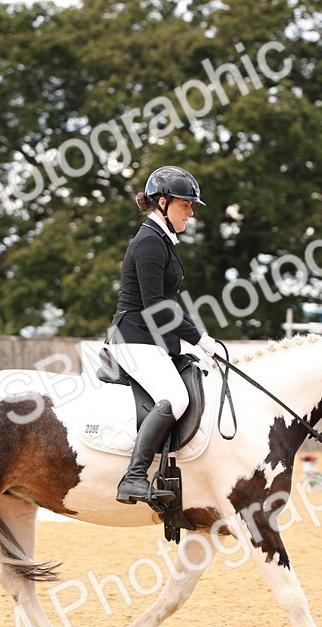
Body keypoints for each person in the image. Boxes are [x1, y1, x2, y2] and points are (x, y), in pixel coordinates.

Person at [106, 165, 225, 507]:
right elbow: (156, 306)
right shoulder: (148, 243)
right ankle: (133, 477)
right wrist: (201, 339)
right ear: (161, 202)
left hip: (151, 339)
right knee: (176, 398)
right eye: (184, 204)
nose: (190, 210)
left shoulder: (162, 240)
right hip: (133, 338)